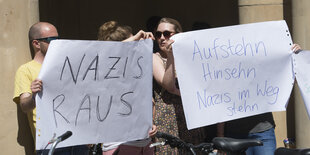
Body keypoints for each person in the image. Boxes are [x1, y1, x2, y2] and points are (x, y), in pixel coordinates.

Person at [13, 22, 89, 155]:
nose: (57, 43)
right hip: (52, 142)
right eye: (52, 40)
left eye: (59, 39)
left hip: (77, 139)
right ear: (36, 43)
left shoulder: (66, 65)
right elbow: (25, 106)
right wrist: (34, 95)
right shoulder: (25, 70)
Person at [223, 43, 302, 155]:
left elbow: (289, 77)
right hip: (235, 135)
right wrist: (220, 136)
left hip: (263, 132)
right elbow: (220, 106)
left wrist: (295, 57)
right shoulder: (225, 73)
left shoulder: (263, 67)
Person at [97, 21, 157, 155]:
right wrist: (134, 39)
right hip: (118, 146)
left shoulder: (136, 70)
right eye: (132, 41)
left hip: (144, 144)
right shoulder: (105, 72)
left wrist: (151, 124)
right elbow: (107, 53)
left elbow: (149, 102)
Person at [152, 17, 207, 154]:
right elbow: (168, 85)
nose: (162, 38)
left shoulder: (190, 56)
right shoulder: (154, 57)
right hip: (167, 119)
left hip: (190, 119)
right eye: (158, 34)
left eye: (166, 33)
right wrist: (171, 56)